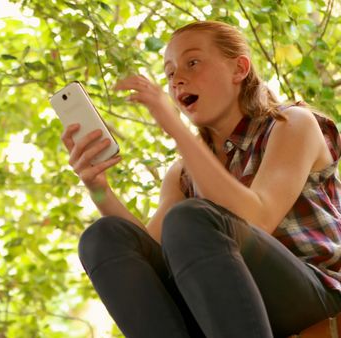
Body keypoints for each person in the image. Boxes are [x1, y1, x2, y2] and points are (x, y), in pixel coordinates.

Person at [61, 20, 341, 337]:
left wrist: (176, 130)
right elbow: (151, 259)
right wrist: (98, 189)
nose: (177, 79)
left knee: (189, 218)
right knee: (104, 236)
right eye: (169, 73)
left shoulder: (291, 123)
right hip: (222, 305)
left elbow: (259, 218)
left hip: (311, 292)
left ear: (239, 69)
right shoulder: (181, 173)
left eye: (192, 63)